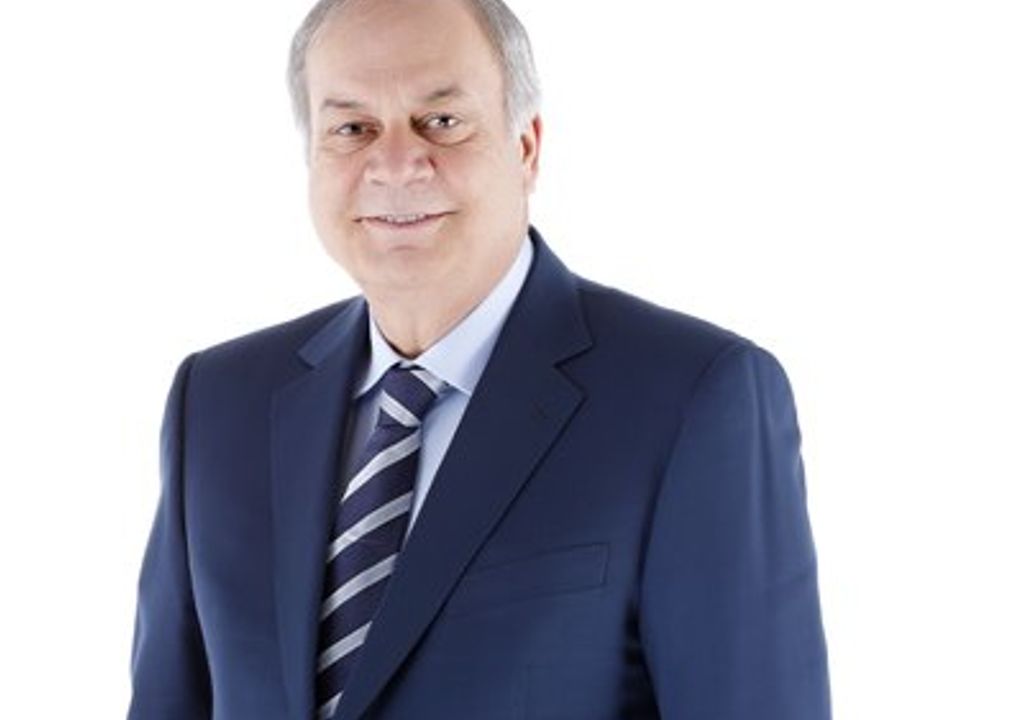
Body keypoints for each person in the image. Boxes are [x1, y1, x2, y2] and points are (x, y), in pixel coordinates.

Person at [127, 0, 831, 717]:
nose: (394, 164)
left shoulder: (694, 400)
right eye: (353, 128)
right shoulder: (218, 402)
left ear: (526, 146)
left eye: (440, 121)